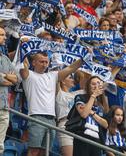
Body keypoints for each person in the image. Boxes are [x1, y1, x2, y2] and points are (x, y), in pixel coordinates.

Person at [20, 51, 85, 156]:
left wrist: (83, 59)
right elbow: (22, 63)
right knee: (33, 151)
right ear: (34, 63)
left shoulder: (53, 75)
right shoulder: (29, 75)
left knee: (44, 152)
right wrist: (22, 45)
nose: (44, 64)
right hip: (36, 117)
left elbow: (70, 68)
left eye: (46, 62)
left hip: (52, 119)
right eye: (41, 61)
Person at [73, 75, 109, 156]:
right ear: (88, 87)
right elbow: (84, 114)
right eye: (93, 84)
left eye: (98, 83)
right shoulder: (80, 97)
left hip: (97, 140)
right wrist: (93, 96)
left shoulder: (102, 104)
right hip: (82, 137)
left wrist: (92, 112)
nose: (96, 86)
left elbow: (106, 124)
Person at [56, 74, 85, 156]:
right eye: (70, 77)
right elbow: (57, 76)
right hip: (65, 125)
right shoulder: (59, 93)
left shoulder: (77, 94)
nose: (73, 80)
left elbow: (97, 88)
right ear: (63, 81)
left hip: (78, 125)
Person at [0, 27, 18, 155]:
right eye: (1, 35)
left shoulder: (5, 59)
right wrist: (6, 77)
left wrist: (3, 76)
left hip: (4, 107)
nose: (5, 37)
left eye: (5, 35)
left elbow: (15, 80)